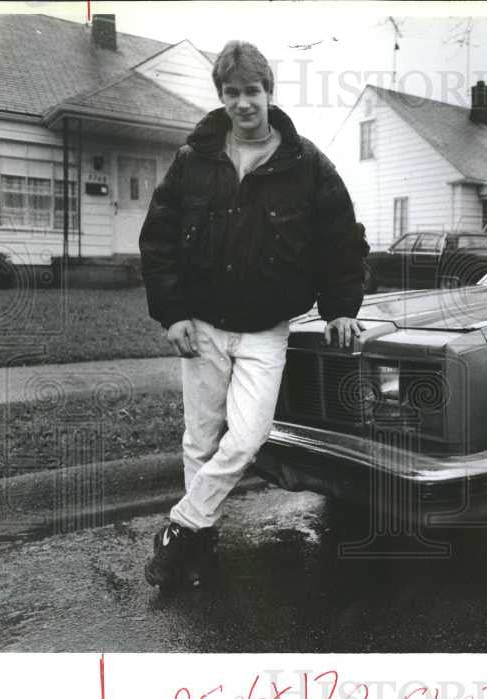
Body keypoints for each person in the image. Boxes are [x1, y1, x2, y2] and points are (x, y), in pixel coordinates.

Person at [139, 40, 366, 588]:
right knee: (199, 440)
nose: (243, 103)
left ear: (269, 92)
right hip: (204, 325)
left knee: (246, 437)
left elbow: (342, 240)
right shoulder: (194, 161)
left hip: (266, 330)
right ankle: (198, 551)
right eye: (232, 92)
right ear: (221, 96)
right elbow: (159, 240)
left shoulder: (306, 163)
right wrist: (172, 315)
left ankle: (183, 524)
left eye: (252, 91)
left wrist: (340, 308)